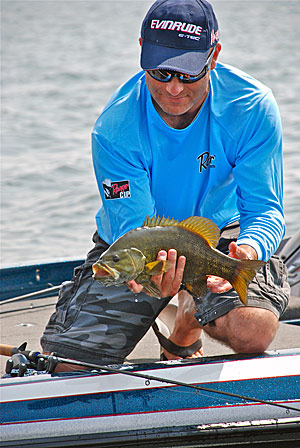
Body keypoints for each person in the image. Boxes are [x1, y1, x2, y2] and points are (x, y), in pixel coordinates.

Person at [41, 0, 290, 367]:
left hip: (223, 234)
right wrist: (159, 275)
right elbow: (135, 232)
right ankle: (184, 304)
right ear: (142, 51)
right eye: (160, 73)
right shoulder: (114, 128)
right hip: (141, 245)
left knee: (252, 331)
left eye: (189, 74)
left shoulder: (252, 107)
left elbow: (265, 211)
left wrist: (248, 251)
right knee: (68, 365)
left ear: (214, 55)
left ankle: (187, 325)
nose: (174, 89)